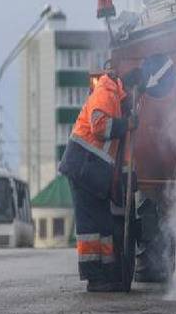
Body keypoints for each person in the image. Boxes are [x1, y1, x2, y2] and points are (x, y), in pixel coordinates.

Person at [59, 68, 143, 292]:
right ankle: (94, 278)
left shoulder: (114, 95)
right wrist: (127, 124)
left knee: (103, 226)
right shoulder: (106, 91)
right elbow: (99, 127)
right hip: (82, 166)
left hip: (92, 170)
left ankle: (107, 275)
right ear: (124, 87)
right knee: (90, 227)